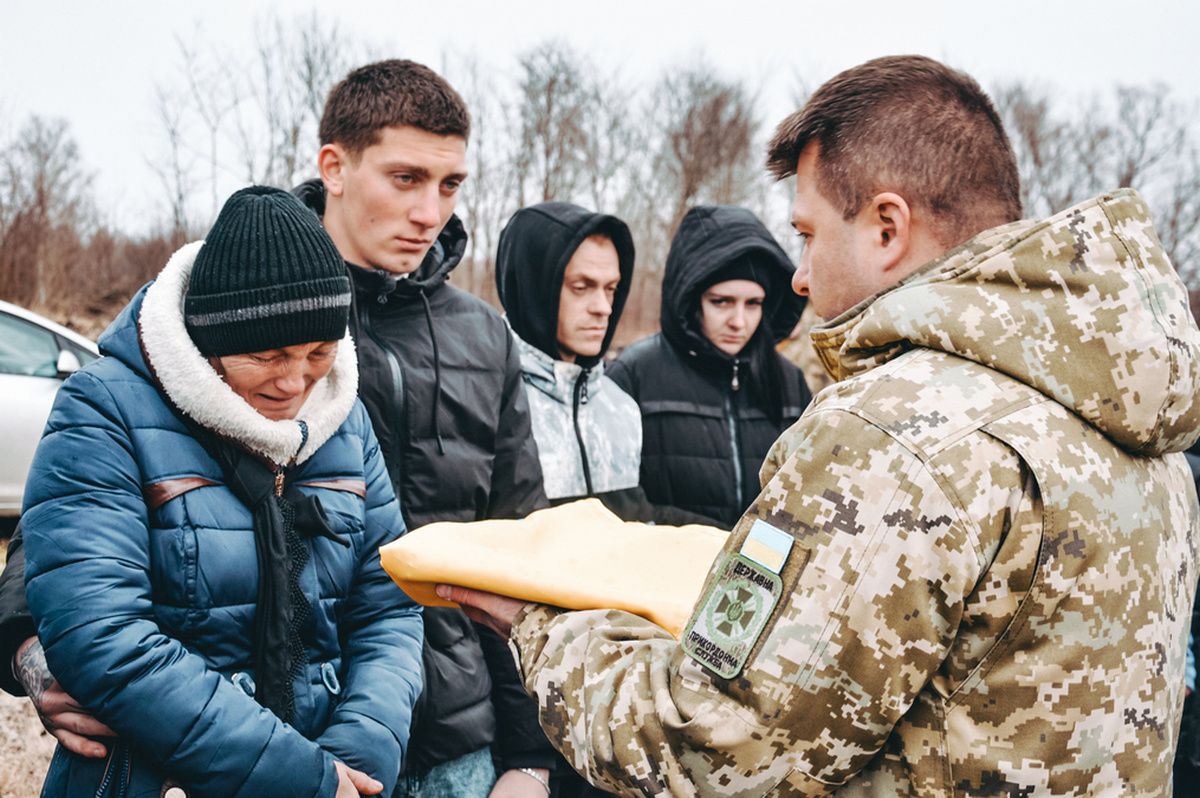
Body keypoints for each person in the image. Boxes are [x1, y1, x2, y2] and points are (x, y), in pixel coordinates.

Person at [443, 55, 1200, 795]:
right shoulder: (1134, 422)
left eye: (806, 234)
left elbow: (713, 750)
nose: (799, 278)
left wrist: (541, 629)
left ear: (886, 227)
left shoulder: (893, 437)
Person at [1, 59, 554, 798]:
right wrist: (30, 641)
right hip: (208, 758)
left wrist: (528, 754)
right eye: (406, 178)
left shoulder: (483, 340)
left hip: (438, 735)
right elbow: (69, 539)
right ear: (336, 166)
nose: (432, 212)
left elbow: (517, 545)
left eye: (451, 185)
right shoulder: (223, 294)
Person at [20, 186, 423, 797]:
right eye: (267, 355)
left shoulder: (347, 421)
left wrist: (358, 760)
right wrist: (301, 779)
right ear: (207, 341)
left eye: (318, 352)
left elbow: (389, 609)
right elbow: (103, 635)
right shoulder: (105, 409)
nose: (295, 382)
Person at [606, 205, 811, 528]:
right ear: (691, 298)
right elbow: (618, 506)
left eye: (753, 303)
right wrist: (715, 541)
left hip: (762, 561)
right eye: (721, 302)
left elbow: (806, 493)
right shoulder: (633, 375)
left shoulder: (789, 382)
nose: (738, 321)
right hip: (664, 559)